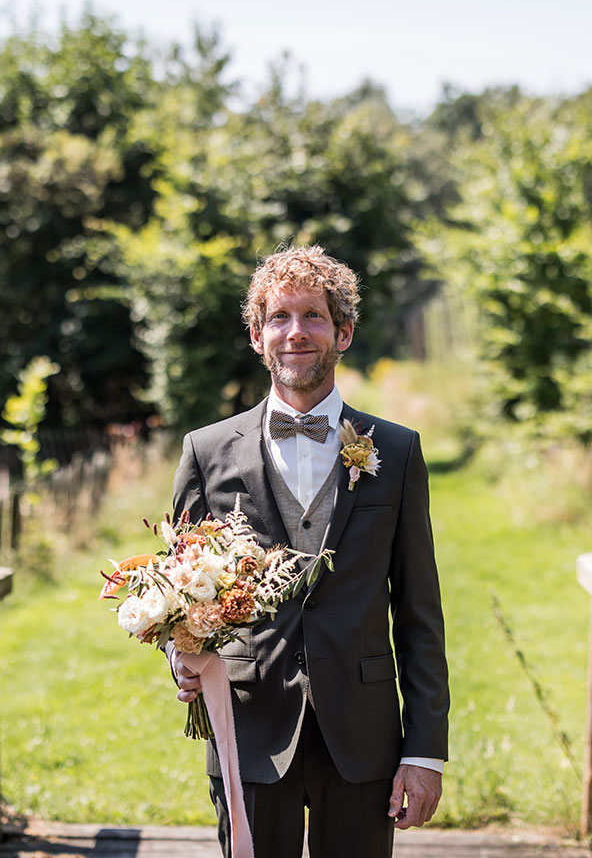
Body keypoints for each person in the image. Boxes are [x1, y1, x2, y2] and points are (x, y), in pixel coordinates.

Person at [169, 245, 449, 857]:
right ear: (256, 334)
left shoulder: (395, 452)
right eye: (279, 317)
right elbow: (180, 591)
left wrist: (424, 750)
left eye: (314, 316)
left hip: (364, 732)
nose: (296, 332)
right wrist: (181, 657)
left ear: (343, 332)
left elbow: (420, 612)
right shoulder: (206, 451)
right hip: (249, 721)